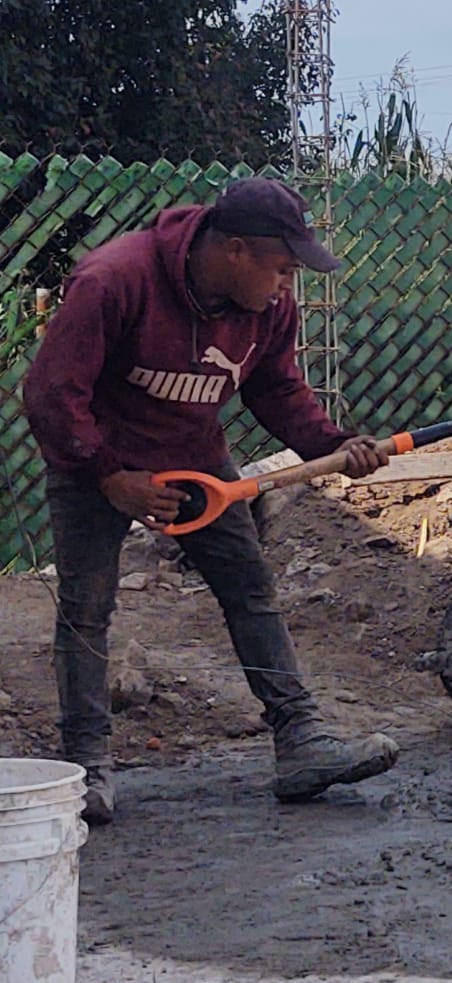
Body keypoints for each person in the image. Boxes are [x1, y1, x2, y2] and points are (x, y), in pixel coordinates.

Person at [23, 178, 401, 824]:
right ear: (234, 251)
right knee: (86, 608)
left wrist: (337, 444)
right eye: (282, 269)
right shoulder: (114, 281)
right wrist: (112, 477)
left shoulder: (267, 310)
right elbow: (51, 394)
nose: (288, 286)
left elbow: (277, 391)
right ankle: (87, 770)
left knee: (250, 587)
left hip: (197, 459)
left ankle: (300, 740)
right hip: (95, 461)